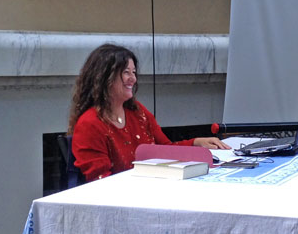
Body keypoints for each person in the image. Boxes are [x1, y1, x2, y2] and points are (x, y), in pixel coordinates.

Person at [68, 43, 230, 182]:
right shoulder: (89, 124)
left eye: (133, 72)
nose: (133, 79)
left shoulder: (137, 112)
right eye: (126, 72)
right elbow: (100, 181)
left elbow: (164, 149)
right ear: (104, 77)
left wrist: (196, 143)